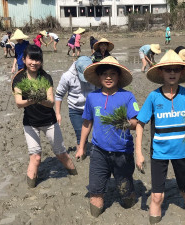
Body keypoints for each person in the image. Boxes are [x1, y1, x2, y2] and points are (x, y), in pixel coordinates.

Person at [135, 50, 185, 224]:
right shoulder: (154, 96)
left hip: (182, 153)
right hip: (159, 153)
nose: (172, 73)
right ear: (161, 72)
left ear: (181, 72)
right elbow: (140, 123)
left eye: (176, 69)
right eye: (168, 69)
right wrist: (139, 152)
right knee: (157, 197)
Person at [76, 56, 139, 218]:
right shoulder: (92, 97)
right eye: (104, 74)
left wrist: (125, 123)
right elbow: (87, 123)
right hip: (99, 152)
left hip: (122, 152)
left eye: (112, 74)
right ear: (99, 77)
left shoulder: (127, 96)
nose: (108, 77)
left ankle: (128, 193)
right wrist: (81, 147)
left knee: (126, 198)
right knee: (96, 198)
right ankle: (97, 201)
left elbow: (135, 122)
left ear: (119, 77)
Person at [11, 45, 77, 188]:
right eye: (31, 59)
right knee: (35, 157)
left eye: (37, 59)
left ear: (41, 61)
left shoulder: (46, 77)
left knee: (61, 154)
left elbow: (51, 102)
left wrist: (40, 99)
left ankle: (74, 175)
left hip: (49, 122)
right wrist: (32, 99)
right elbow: (18, 103)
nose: (34, 63)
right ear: (24, 59)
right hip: (30, 123)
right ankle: (31, 189)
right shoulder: (19, 79)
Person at [55, 56, 95, 154]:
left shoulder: (95, 74)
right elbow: (59, 95)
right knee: (79, 132)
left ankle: (85, 149)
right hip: (75, 109)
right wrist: (58, 113)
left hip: (91, 108)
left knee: (91, 131)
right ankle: (81, 152)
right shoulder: (67, 76)